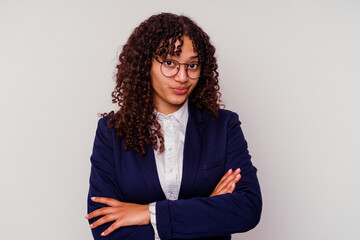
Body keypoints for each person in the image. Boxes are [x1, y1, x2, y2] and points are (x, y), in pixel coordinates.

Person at [86, 12, 262, 240]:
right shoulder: (111, 133)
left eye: (192, 65)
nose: (183, 76)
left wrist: (148, 213)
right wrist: (208, 209)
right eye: (170, 63)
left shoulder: (223, 127)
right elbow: (104, 229)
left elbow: (247, 208)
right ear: (144, 64)